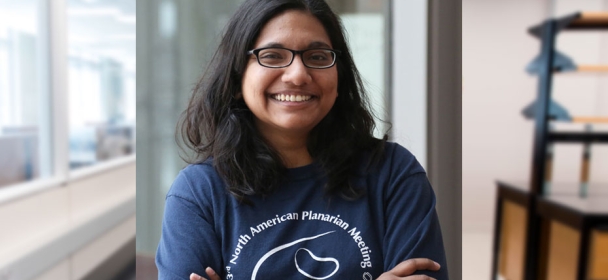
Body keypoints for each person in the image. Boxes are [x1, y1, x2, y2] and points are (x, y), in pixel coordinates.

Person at [156, 0, 448, 279]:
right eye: (272, 56)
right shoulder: (198, 193)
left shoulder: (392, 174)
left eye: (318, 57)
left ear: (339, 77)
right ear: (236, 79)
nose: (298, 75)